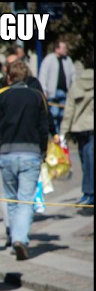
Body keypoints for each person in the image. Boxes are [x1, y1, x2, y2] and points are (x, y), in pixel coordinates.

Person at [0, 60, 49, 261]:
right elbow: (44, 126)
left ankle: (14, 235)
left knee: (10, 198)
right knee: (26, 200)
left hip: (6, 153)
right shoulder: (36, 97)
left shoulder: (2, 97)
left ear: (9, 77)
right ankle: (20, 238)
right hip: (31, 152)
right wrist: (43, 151)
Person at [60, 51, 94, 214]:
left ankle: (88, 193)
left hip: (80, 128)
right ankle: (89, 193)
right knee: (91, 158)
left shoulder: (77, 83)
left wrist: (63, 131)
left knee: (86, 160)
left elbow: (69, 109)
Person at [38, 40, 76, 134]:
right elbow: (43, 75)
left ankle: (61, 135)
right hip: (52, 93)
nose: (66, 50)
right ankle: (55, 135)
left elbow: (73, 76)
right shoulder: (49, 59)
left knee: (63, 116)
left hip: (65, 93)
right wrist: (44, 91)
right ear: (57, 49)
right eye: (63, 48)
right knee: (54, 115)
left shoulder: (68, 60)